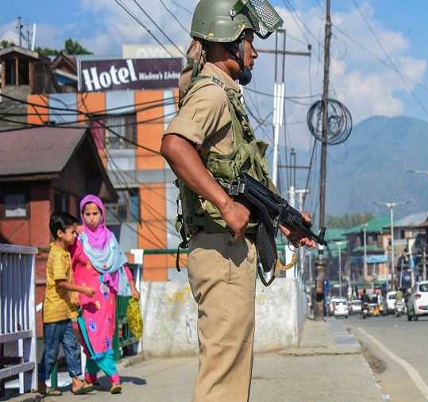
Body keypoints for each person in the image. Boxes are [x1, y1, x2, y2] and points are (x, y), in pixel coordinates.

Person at [160, 1, 314, 400]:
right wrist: (226, 206)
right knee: (222, 379)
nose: (254, 52)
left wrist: (285, 222)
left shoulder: (224, 96)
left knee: (230, 374)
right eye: (249, 41)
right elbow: (175, 145)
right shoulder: (211, 95)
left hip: (227, 251)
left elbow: (239, 178)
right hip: (220, 250)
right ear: (228, 40)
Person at [69, 195, 140, 395]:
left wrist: (132, 287)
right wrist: (72, 291)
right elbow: (67, 265)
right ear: (82, 215)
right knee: (93, 336)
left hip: (107, 297)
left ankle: (90, 377)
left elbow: (121, 264)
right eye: (87, 214)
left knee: (104, 336)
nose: (91, 218)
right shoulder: (78, 239)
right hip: (86, 298)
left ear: (102, 214)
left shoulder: (110, 239)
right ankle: (114, 377)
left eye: (95, 213)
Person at [38, 212, 95, 397]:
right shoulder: (56, 255)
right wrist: (82, 290)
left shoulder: (64, 252)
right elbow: (61, 282)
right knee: (51, 351)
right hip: (54, 312)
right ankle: (41, 382)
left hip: (65, 311)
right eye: (72, 232)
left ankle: (77, 381)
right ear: (60, 233)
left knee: (72, 346)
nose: (75, 236)